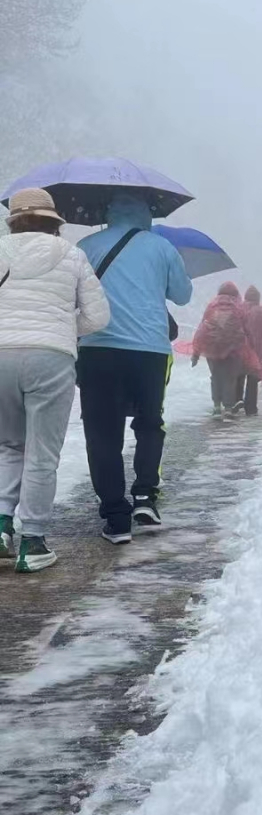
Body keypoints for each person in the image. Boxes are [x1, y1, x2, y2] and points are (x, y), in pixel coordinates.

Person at [0, 188, 110, 571]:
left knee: (9, 445)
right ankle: (33, 541)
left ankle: (1, 526)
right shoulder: (72, 255)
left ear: (13, 220)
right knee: (42, 452)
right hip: (51, 357)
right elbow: (98, 317)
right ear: (53, 221)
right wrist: (62, 328)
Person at [77, 192, 192, 543]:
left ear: (108, 212)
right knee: (149, 422)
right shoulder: (161, 247)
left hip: (98, 348)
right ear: (147, 213)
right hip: (149, 350)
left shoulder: (86, 245)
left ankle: (116, 517)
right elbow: (183, 295)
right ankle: (145, 495)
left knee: (102, 433)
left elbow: (72, 294)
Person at [191, 282, 250, 418]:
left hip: (212, 347)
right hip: (233, 348)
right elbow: (246, 329)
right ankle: (228, 408)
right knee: (230, 378)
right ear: (235, 293)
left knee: (216, 377)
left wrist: (196, 353)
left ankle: (217, 407)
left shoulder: (211, 306)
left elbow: (202, 329)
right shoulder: (239, 307)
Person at [235, 285, 262, 416]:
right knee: (253, 379)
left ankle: (237, 402)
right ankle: (251, 409)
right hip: (257, 349)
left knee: (239, 375)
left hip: (240, 347)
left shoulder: (239, 309)